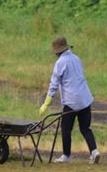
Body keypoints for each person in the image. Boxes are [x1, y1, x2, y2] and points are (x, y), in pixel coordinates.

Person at [39, 36, 100, 164]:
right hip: (85, 99)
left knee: (66, 129)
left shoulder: (60, 63)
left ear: (57, 51)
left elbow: (54, 84)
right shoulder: (76, 58)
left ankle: (66, 156)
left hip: (71, 101)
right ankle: (94, 151)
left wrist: (46, 103)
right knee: (86, 128)